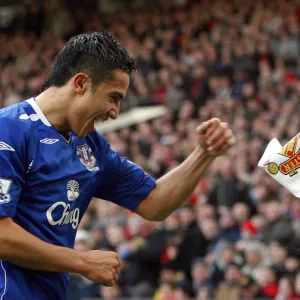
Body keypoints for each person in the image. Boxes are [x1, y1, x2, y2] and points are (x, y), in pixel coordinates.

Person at [0, 32, 235, 300]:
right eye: (113, 97)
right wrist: (83, 262)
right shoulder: (8, 131)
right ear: (80, 83)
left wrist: (204, 154)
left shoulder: (91, 147)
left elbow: (154, 202)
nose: (115, 112)